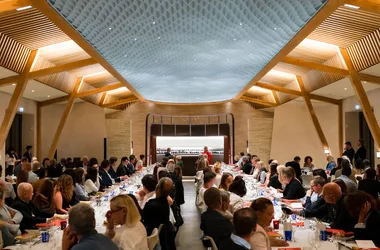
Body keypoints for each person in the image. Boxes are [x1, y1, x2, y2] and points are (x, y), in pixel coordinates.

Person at [142, 177, 175, 250]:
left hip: (150, 235)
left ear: (157, 188)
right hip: (164, 237)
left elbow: (142, 219)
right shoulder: (165, 202)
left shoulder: (151, 205)